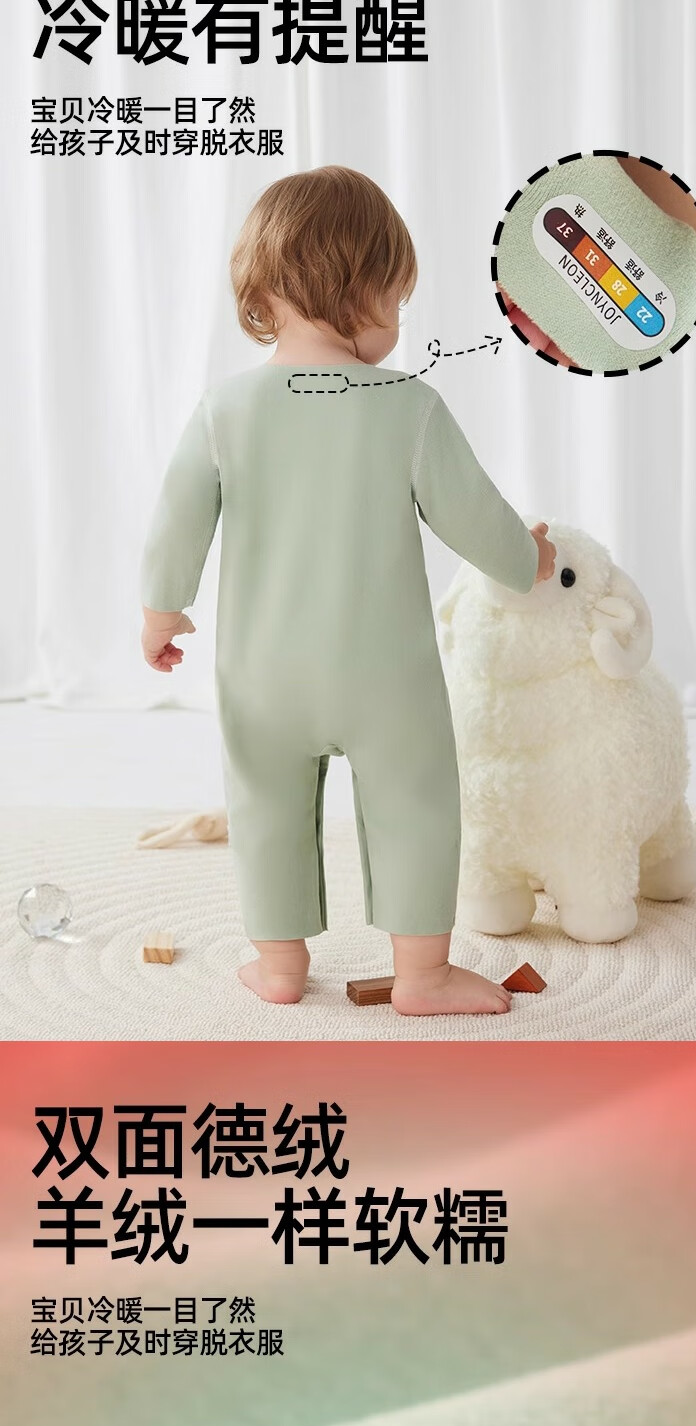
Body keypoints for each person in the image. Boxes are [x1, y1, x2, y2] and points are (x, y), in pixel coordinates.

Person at [141, 166, 556, 1016]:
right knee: (416, 805)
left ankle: (280, 967)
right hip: (386, 681)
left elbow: (176, 520)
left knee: (265, 809)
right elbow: (478, 520)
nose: (399, 321)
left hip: (262, 677)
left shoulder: (225, 408)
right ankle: (424, 975)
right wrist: (531, 560)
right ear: (359, 292)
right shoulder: (409, 406)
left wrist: (161, 610)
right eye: (396, 301)